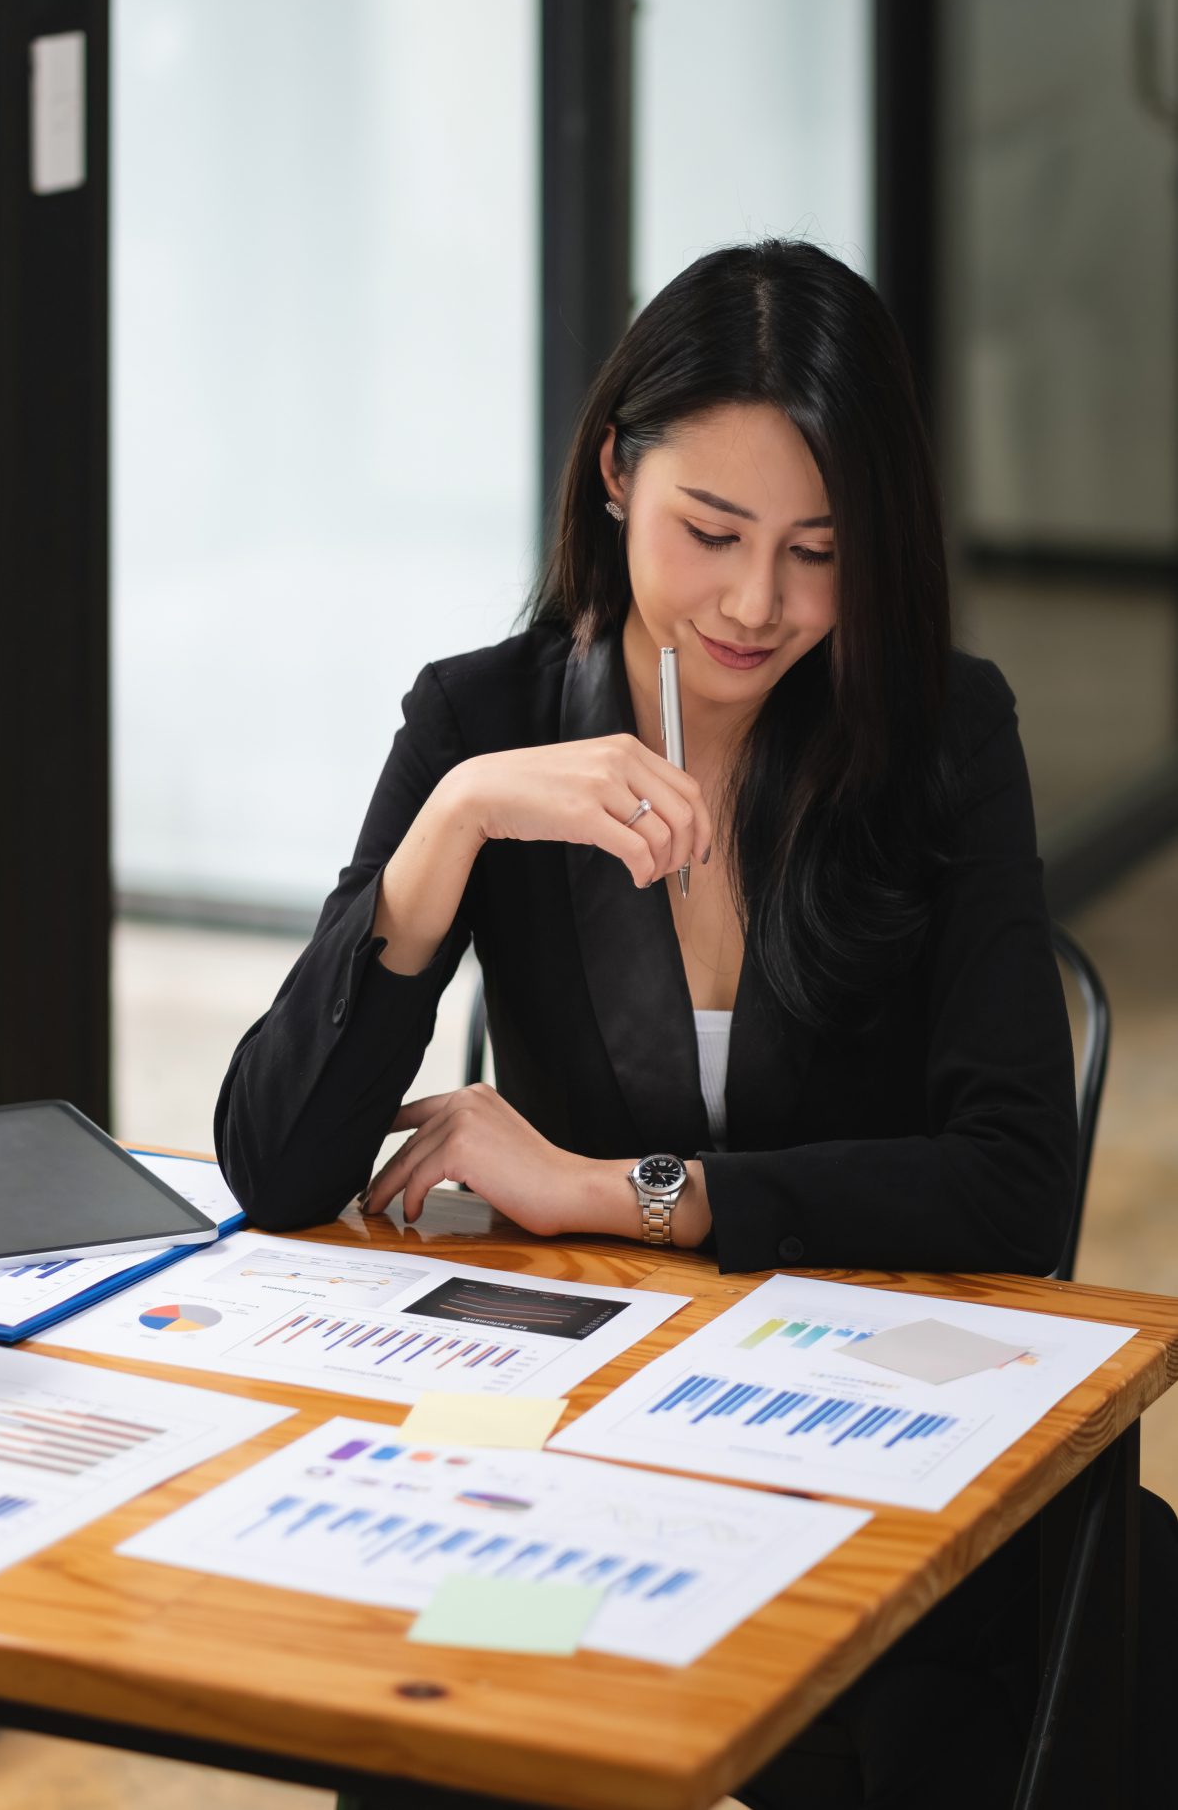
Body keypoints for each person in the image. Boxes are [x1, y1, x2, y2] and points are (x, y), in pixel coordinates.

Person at [215, 241, 1175, 1806]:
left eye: (817, 548)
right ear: (612, 472)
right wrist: (450, 828)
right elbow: (272, 1162)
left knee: (1089, 1602)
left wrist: (624, 1193)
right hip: (583, 1454)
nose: (756, 602)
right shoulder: (486, 724)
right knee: (419, 1682)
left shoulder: (939, 733)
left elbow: (1005, 1178)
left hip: (860, 1436)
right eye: (710, 531)